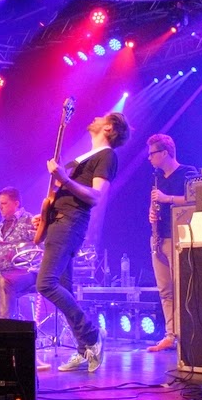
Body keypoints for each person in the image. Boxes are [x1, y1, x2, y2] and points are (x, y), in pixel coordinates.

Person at [34, 112, 130, 372]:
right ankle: (84, 349)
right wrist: (46, 215)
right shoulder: (86, 158)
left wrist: (64, 179)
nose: (96, 117)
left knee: (46, 284)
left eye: (102, 117)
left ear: (109, 128)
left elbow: (96, 196)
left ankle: (91, 334)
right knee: (64, 286)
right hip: (60, 222)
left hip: (69, 225)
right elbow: (66, 195)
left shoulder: (107, 156)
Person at [145, 134, 199, 352]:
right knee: (165, 290)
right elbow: (154, 204)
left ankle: (188, 335)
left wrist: (167, 198)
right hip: (159, 238)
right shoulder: (157, 178)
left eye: (152, 153)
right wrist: (151, 213)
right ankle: (170, 335)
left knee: (182, 288)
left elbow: (195, 200)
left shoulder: (188, 173)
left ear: (165, 153)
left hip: (179, 238)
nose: (149, 158)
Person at [0, 186, 37, 319]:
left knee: (5, 280)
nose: (0, 207)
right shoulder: (2, 224)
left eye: (4, 203)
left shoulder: (30, 220)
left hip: (26, 271)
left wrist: (17, 256)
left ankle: (5, 324)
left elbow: (39, 250)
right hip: (4, 271)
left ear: (16, 204)